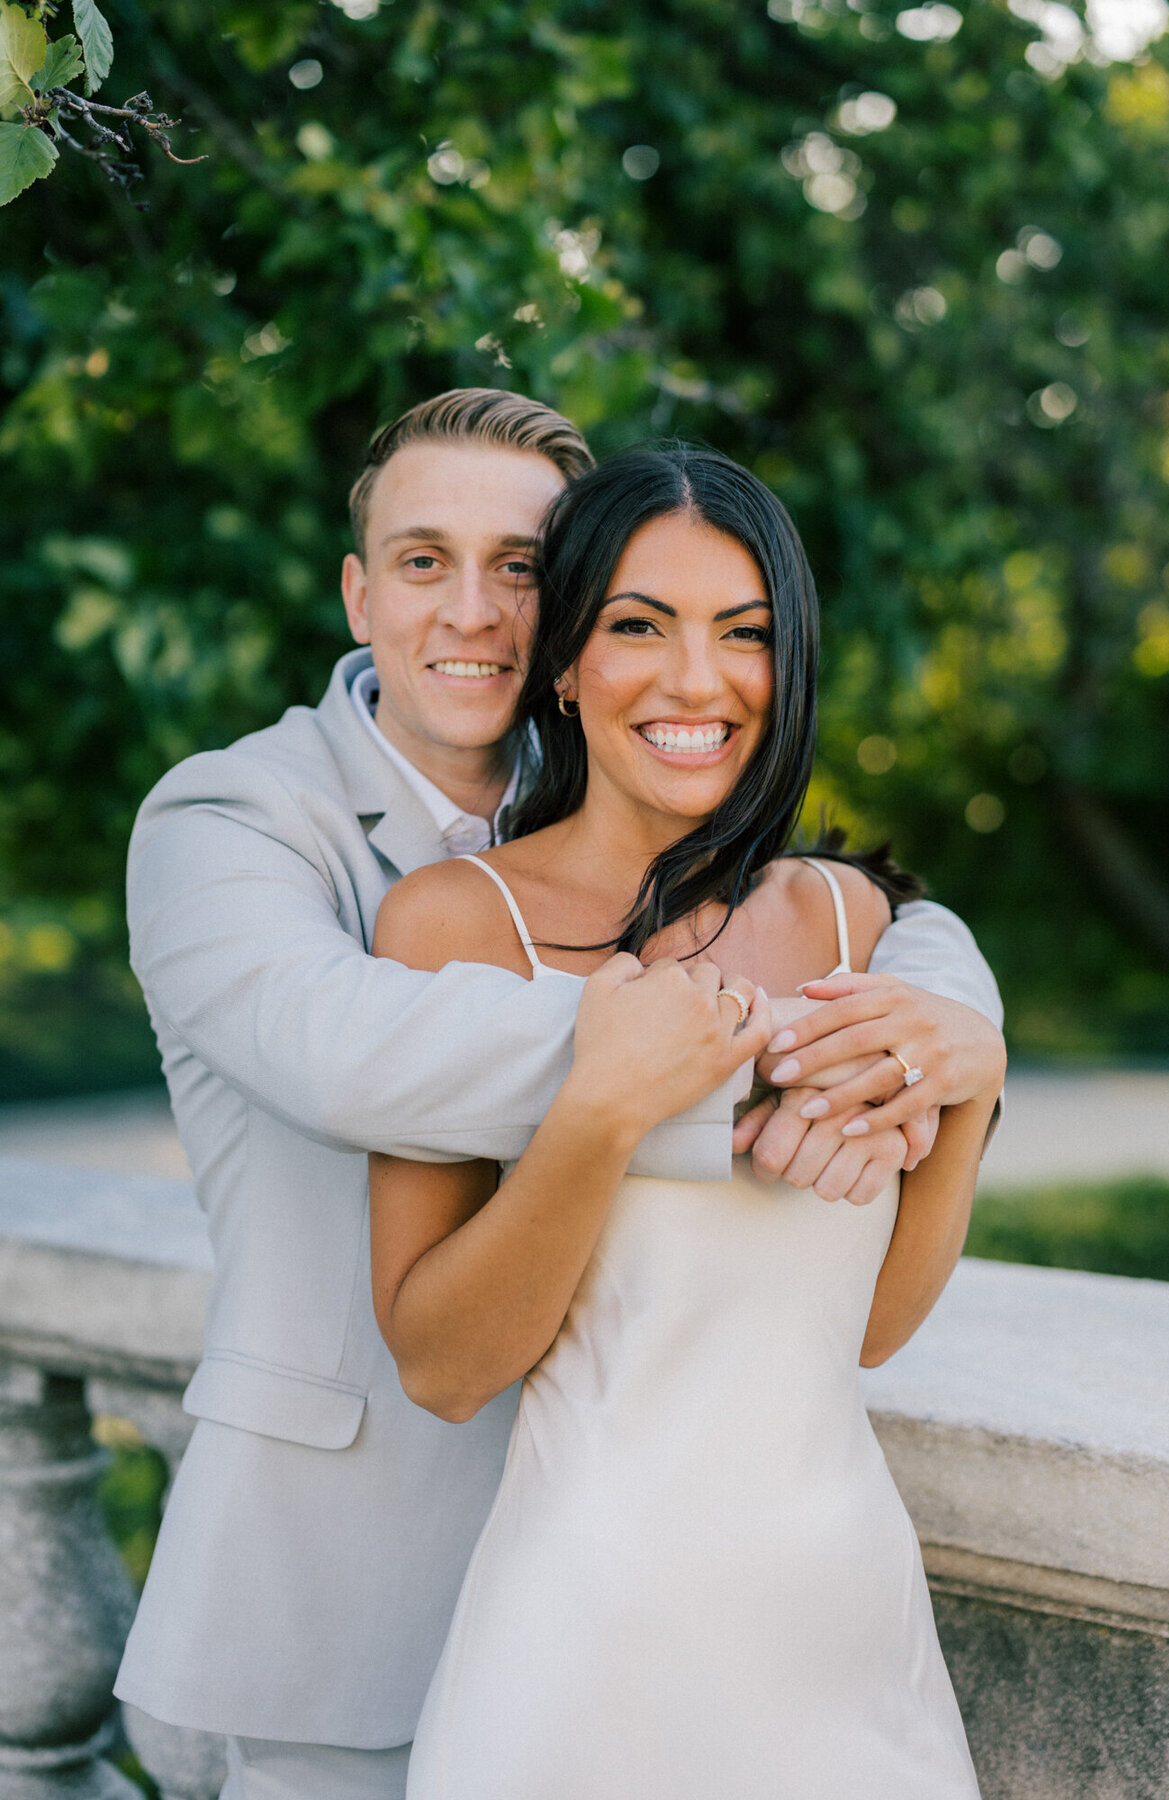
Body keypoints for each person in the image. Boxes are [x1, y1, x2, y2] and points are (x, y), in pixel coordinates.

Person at [115, 391, 1003, 1800]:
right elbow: (354, 1050)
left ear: (553, 615)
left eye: (519, 568)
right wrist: (738, 1058)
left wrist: (960, 1045)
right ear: (359, 592)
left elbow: (868, 1310)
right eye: (422, 560)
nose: (475, 609)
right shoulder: (235, 824)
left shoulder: (820, 905)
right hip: (377, 1590)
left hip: (820, 1633)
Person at [370, 443, 1004, 1797]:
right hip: (591, 1650)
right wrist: (598, 1113)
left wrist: (972, 1091)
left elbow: (871, 1327)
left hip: (847, 1633)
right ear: (564, 664)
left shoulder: (846, 919)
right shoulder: (452, 929)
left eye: (745, 634)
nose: (698, 682)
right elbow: (442, 1363)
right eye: (638, 628)